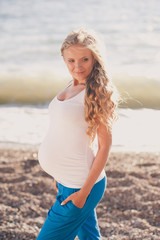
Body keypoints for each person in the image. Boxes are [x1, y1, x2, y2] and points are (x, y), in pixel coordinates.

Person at [37, 28, 118, 240]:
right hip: (66, 181)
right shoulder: (72, 85)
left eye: (84, 59)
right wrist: (58, 174)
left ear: (95, 59)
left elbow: (104, 147)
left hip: (81, 186)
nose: (78, 66)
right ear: (64, 59)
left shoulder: (97, 93)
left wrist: (84, 193)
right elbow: (65, 133)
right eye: (71, 60)